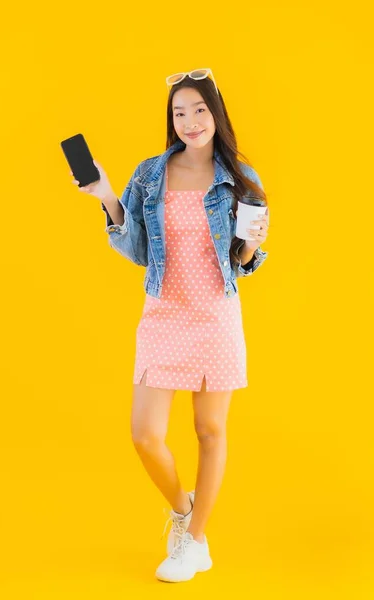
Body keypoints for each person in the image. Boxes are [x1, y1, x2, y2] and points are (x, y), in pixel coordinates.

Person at [71, 68, 270, 583]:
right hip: (164, 314)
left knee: (209, 430)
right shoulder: (149, 174)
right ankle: (185, 513)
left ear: (216, 113)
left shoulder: (242, 181)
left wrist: (251, 243)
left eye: (199, 110)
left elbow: (243, 262)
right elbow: (139, 250)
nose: (189, 121)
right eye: (179, 113)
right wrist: (107, 196)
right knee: (145, 435)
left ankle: (195, 542)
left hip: (215, 316)